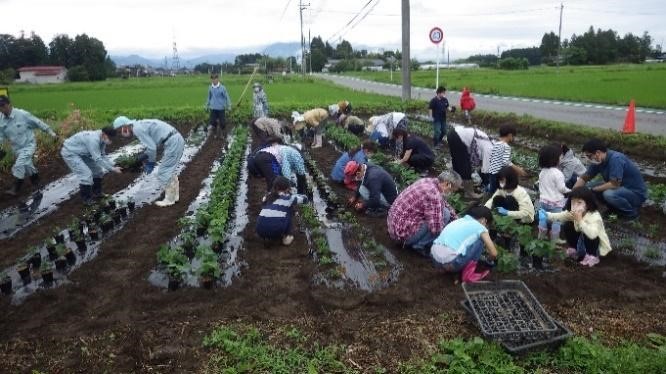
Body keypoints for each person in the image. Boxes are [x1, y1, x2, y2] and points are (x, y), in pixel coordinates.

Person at [112, 116, 185, 207]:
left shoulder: (137, 129)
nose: (122, 132)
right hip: (174, 140)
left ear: (125, 126)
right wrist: (141, 158)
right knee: (167, 171)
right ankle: (174, 197)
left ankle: (170, 200)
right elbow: (152, 145)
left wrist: (151, 163)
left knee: (164, 172)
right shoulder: (140, 125)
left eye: (121, 130)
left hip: (173, 142)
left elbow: (152, 148)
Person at [387, 171, 463, 254]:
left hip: (394, 225)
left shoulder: (428, 181)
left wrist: (456, 218)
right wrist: (448, 238)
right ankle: (419, 246)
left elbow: (443, 202)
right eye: (452, 190)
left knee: (446, 213)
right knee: (441, 219)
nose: (451, 192)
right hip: (402, 236)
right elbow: (435, 229)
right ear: (447, 184)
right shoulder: (433, 194)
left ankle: (419, 241)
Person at [573, 138, 646, 220]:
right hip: (620, 189)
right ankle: (613, 209)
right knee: (589, 187)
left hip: (635, 193)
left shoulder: (616, 159)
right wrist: (573, 192)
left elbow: (614, 184)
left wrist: (593, 189)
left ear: (597, 153)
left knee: (608, 194)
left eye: (589, 156)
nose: (589, 159)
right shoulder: (598, 160)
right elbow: (585, 177)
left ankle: (631, 214)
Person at [0, 95, 58, 196]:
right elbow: (1, 135)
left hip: (28, 145)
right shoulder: (1, 119)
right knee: (27, 165)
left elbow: (38, 123)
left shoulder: (22, 114)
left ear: (9, 104)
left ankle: (16, 188)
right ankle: (36, 181)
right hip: (16, 148)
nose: (1, 108)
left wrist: (52, 133)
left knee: (19, 164)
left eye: (3, 105)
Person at [539, 187, 611, 267]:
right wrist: (546, 215)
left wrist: (580, 220)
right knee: (568, 225)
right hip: (582, 242)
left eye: (579, 203)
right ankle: (574, 250)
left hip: (597, 247)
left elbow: (592, 235)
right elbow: (560, 216)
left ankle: (592, 256)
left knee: (587, 231)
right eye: (573, 203)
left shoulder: (594, 217)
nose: (575, 206)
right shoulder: (573, 213)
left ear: (588, 204)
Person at [60, 127, 123, 204]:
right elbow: (98, 159)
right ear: (103, 134)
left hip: (82, 153)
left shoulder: (102, 139)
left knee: (98, 171)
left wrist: (114, 165)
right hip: (70, 152)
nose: (110, 141)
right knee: (86, 174)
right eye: (109, 138)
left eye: (111, 139)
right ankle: (86, 199)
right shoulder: (93, 140)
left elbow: (102, 155)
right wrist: (113, 169)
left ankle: (97, 193)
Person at [431, 206, 498, 273]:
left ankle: (443, 268)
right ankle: (469, 271)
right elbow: (494, 253)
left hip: (434, 258)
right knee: (480, 242)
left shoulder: (458, 221)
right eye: (487, 225)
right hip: (451, 263)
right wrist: (489, 260)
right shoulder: (480, 227)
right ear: (484, 220)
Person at [256, 176, 308, 246]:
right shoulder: (288, 198)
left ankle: (267, 236)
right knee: (289, 210)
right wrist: (299, 195)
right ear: (287, 188)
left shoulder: (267, 196)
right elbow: (305, 199)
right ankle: (287, 237)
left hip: (259, 230)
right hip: (276, 230)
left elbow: (263, 204)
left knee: (274, 211)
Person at [447, 125, 491, 199]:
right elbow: (485, 169)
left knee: (457, 162)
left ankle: (458, 184)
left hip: (453, 133)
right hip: (459, 137)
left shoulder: (487, 145)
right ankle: (469, 193)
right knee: (465, 166)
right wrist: (487, 182)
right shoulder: (489, 149)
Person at [537, 145, 570, 242]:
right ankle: (554, 239)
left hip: (543, 201)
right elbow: (561, 188)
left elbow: (541, 185)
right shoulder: (558, 173)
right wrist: (570, 191)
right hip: (555, 203)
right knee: (557, 221)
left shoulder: (542, 171)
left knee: (543, 219)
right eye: (560, 157)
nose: (561, 158)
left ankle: (541, 237)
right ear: (555, 159)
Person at [486, 124, 526, 194]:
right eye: (513, 136)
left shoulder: (496, 144)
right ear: (510, 135)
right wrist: (518, 169)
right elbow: (506, 162)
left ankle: (487, 196)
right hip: (498, 173)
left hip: (491, 171)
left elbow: (494, 158)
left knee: (493, 189)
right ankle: (492, 202)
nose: (513, 138)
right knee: (498, 191)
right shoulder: (506, 146)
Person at [204, 73, 231, 138]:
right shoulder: (210, 88)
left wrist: (229, 105)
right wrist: (206, 105)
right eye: (212, 79)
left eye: (215, 79)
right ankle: (215, 133)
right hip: (213, 108)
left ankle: (222, 133)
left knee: (222, 123)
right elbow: (209, 97)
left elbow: (227, 97)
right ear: (211, 80)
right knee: (212, 122)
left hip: (221, 108)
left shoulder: (222, 88)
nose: (214, 80)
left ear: (218, 79)